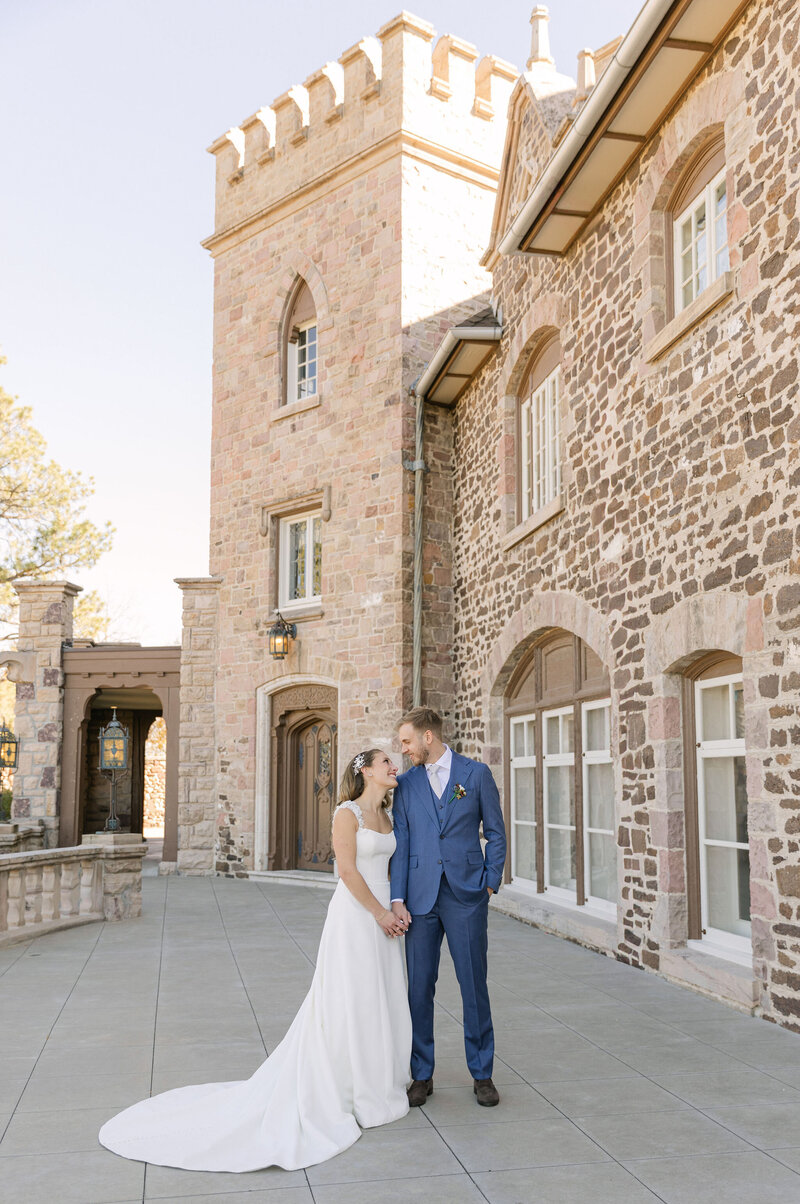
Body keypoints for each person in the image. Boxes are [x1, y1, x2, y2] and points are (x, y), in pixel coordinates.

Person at [98, 749, 412, 1173]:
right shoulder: (347, 813)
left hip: (385, 916)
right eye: (386, 762)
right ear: (366, 772)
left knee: (383, 997)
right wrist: (378, 913)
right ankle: (350, 1087)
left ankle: (379, 1082)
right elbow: (348, 871)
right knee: (351, 998)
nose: (394, 767)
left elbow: (394, 868)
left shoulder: (390, 817)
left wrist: (396, 905)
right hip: (357, 917)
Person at [390, 707, 507, 1108]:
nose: (403, 750)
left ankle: (482, 1073)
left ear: (427, 737)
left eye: (407, 741)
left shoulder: (475, 776)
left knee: (473, 984)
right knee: (419, 988)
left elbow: (495, 832)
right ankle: (421, 1074)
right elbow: (402, 845)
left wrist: (490, 881)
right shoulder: (404, 785)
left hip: (466, 896)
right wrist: (397, 898)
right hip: (420, 900)